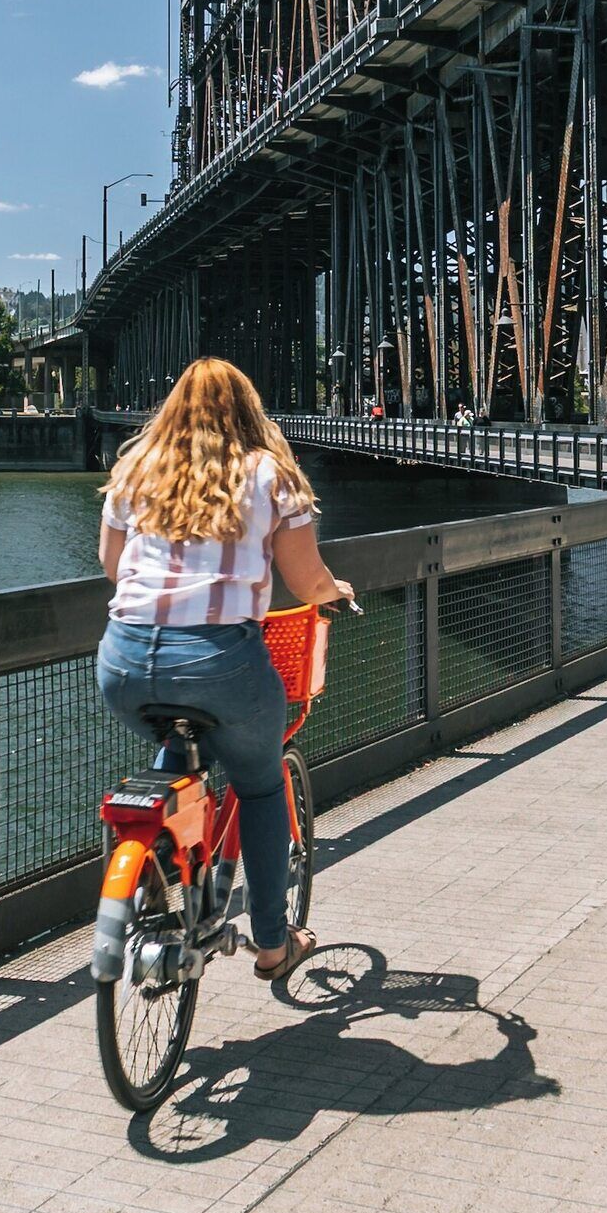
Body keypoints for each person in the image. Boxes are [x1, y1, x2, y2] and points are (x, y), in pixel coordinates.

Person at [98, 357, 354, 982]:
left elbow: (112, 565)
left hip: (124, 658)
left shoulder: (137, 469)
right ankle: (272, 943)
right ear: (248, 410)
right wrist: (334, 591)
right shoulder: (271, 473)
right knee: (260, 785)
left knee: (175, 750)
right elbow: (306, 578)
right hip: (220, 661)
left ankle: (157, 872)